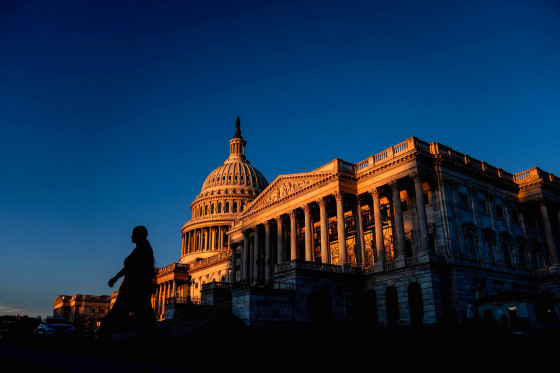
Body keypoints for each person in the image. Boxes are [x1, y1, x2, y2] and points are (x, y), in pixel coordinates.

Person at [97, 226, 156, 339]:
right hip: (137, 288)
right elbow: (130, 267)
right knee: (146, 319)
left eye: (133, 233)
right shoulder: (143, 248)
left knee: (115, 315)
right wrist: (116, 278)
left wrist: (116, 278)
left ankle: (100, 338)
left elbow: (131, 267)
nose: (131, 236)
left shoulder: (142, 249)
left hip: (132, 289)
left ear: (140, 235)